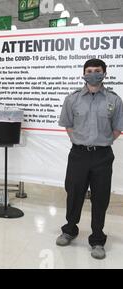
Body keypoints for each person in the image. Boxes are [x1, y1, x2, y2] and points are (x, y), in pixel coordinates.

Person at [57, 59, 123, 260]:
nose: (93, 73)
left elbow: (118, 128)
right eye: (89, 70)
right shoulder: (73, 99)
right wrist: (80, 140)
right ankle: (69, 229)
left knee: (101, 197)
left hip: (102, 155)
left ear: (104, 73)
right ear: (83, 73)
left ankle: (97, 239)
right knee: (74, 192)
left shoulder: (114, 100)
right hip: (78, 154)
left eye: (97, 70)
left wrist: (102, 141)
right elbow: (68, 124)